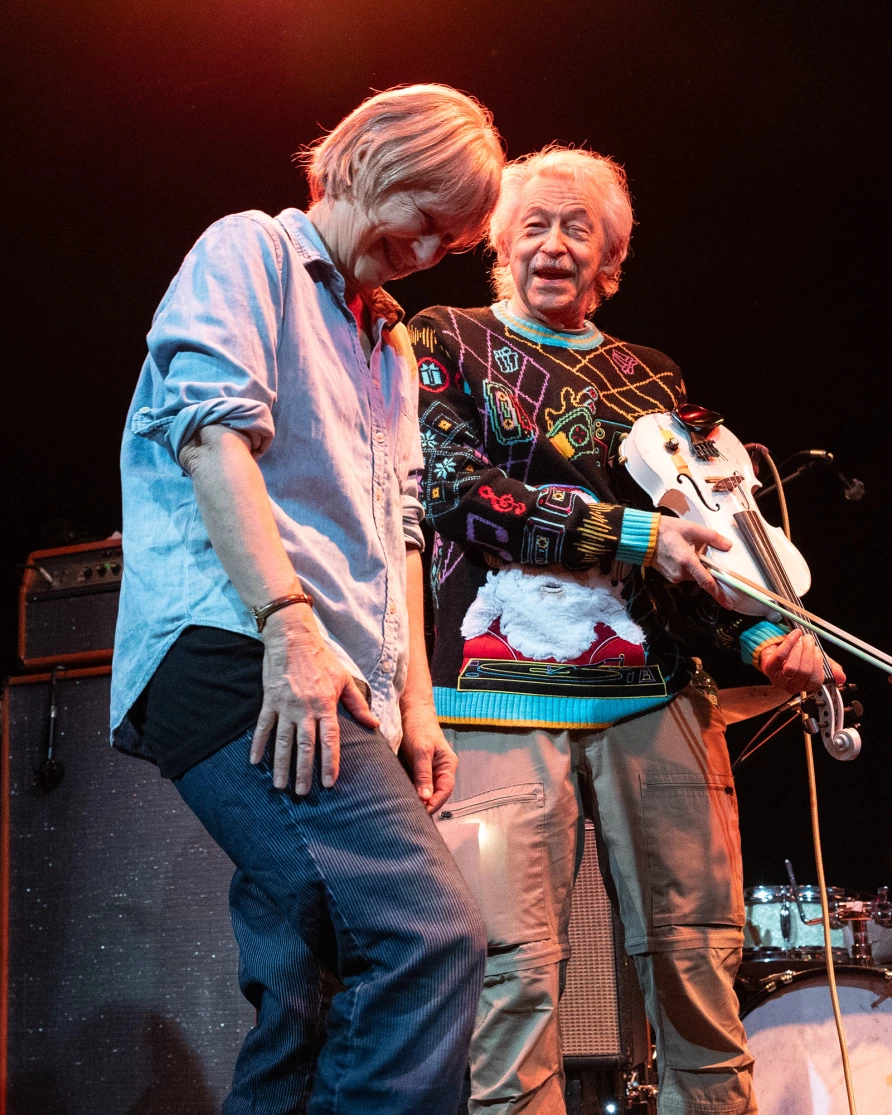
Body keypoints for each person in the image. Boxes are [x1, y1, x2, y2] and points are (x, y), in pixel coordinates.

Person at [409, 146, 844, 1115]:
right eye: (534, 224)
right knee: (508, 973)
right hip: (489, 697)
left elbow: (703, 557)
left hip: (658, 697)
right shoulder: (442, 334)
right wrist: (638, 534)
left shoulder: (651, 377)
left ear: (609, 259)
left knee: (698, 964)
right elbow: (453, 492)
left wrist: (757, 641)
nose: (554, 245)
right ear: (497, 241)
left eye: (578, 229)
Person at [110, 84, 504, 1115]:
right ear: (374, 158)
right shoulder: (251, 251)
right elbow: (211, 435)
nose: (427, 254)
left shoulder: (394, 344)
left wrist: (419, 703)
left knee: (308, 988)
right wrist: (288, 623)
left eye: (452, 244)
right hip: (239, 645)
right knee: (428, 935)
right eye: (426, 220)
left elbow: (402, 533)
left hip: (341, 679)